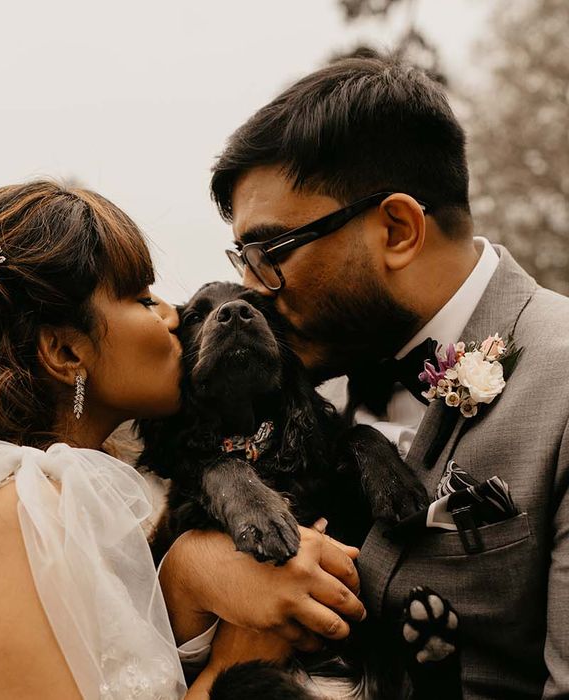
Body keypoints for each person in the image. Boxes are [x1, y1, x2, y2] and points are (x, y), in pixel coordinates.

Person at [0, 180, 365, 699]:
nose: (174, 316)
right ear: (67, 352)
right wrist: (233, 664)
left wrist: (190, 578)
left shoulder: (56, 502)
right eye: (144, 299)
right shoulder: (10, 523)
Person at [186, 52, 568, 697]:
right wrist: (197, 565)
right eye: (241, 259)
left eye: (269, 253)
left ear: (396, 229)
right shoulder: (303, 375)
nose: (253, 292)